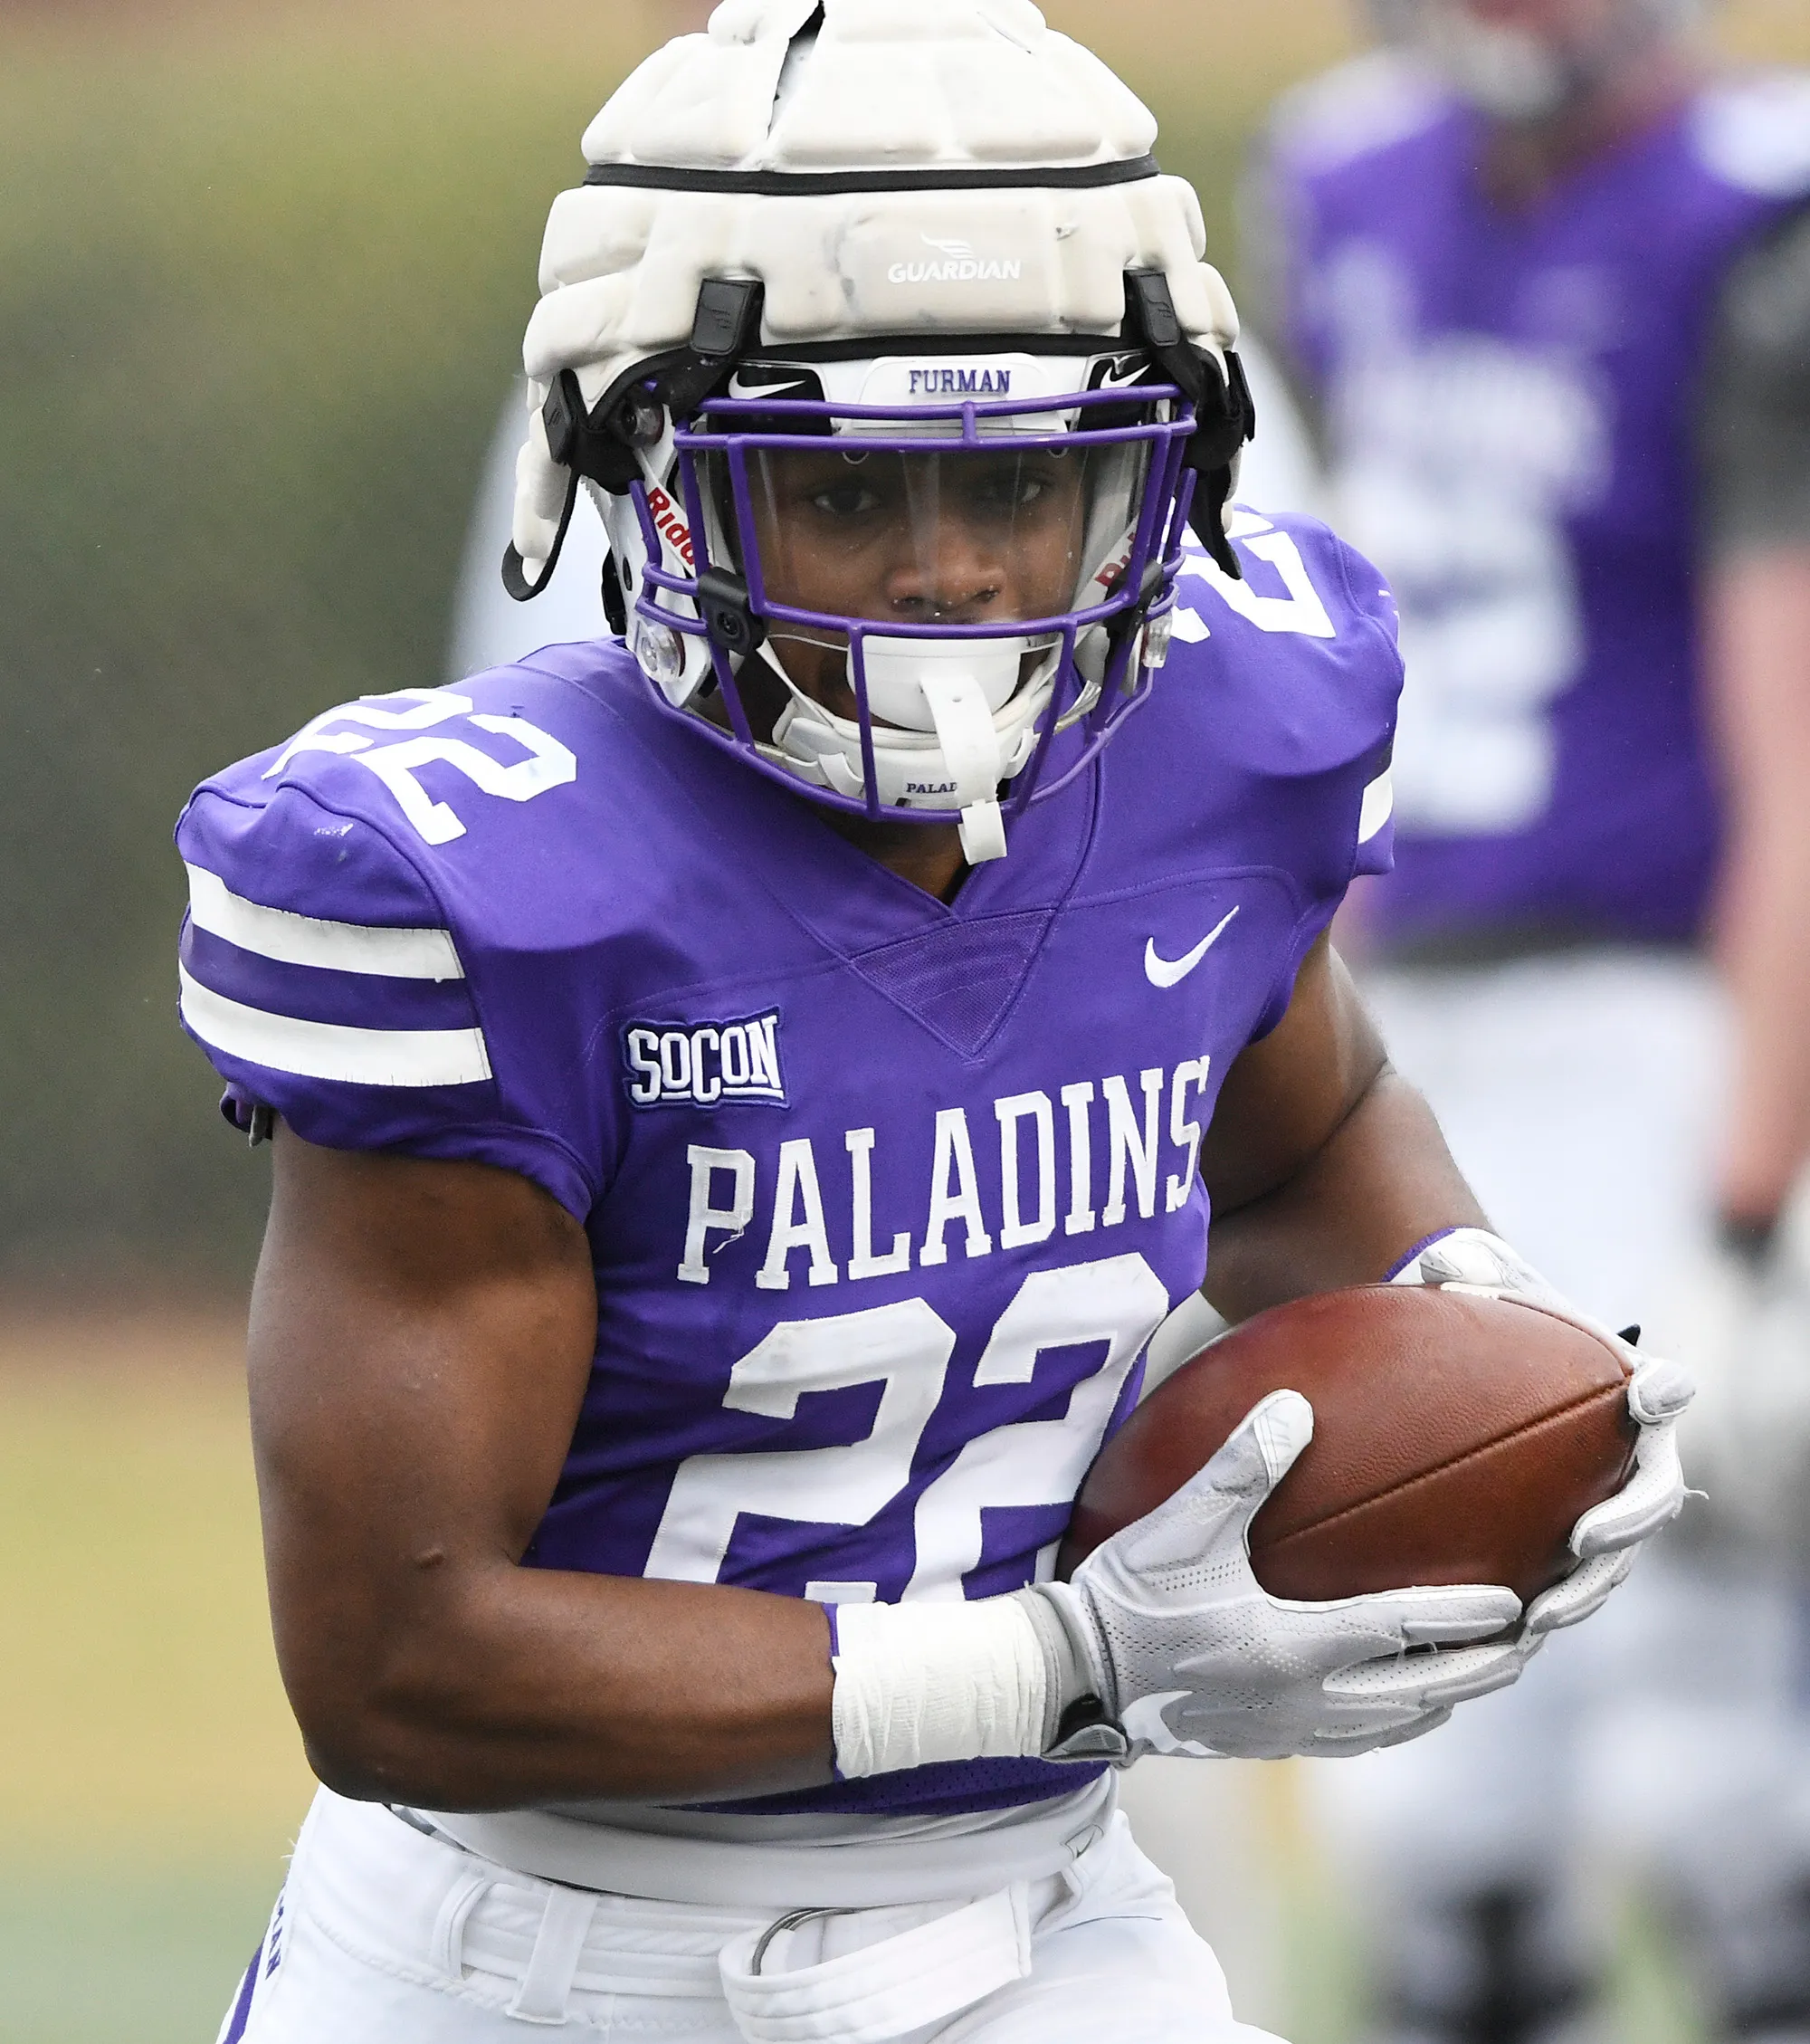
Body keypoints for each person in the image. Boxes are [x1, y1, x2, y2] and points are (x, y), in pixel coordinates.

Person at [176, 6, 1687, 2040]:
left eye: (1025, 482)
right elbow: (391, 1661)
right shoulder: (472, 882)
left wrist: (1484, 1311)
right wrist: (1063, 1662)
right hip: (534, 1949)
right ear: (654, 474)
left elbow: (1308, 1130)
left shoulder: (1222, 739)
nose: (958, 568)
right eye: (851, 493)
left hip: (1032, 1919)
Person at [1245, 2, 1810, 2038]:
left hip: (1676, 1029)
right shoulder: (1328, 181)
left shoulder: (1758, 220)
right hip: (1395, 1041)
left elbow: (1793, 757)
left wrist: (1749, 1212)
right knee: (1434, 1831)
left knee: (1728, 1801)